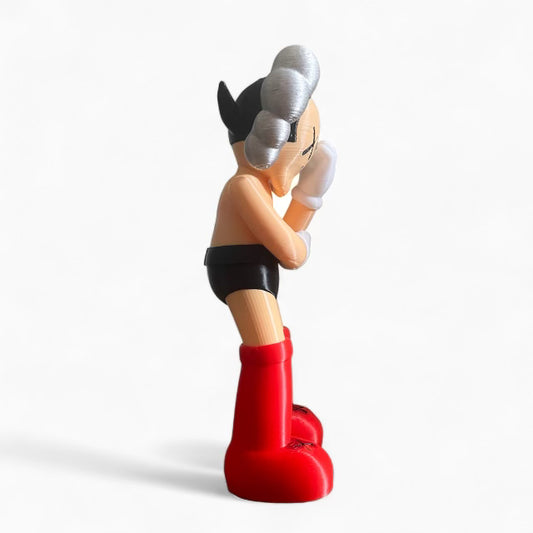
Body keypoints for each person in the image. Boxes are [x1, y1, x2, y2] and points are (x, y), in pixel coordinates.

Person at [204, 45, 336, 502]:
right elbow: (291, 252)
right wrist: (307, 199)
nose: (302, 163)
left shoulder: (257, 186)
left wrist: (309, 195)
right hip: (239, 272)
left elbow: (286, 237)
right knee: (267, 348)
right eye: (302, 152)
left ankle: (273, 421)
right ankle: (255, 453)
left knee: (276, 339)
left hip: (253, 267)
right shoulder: (244, 187)